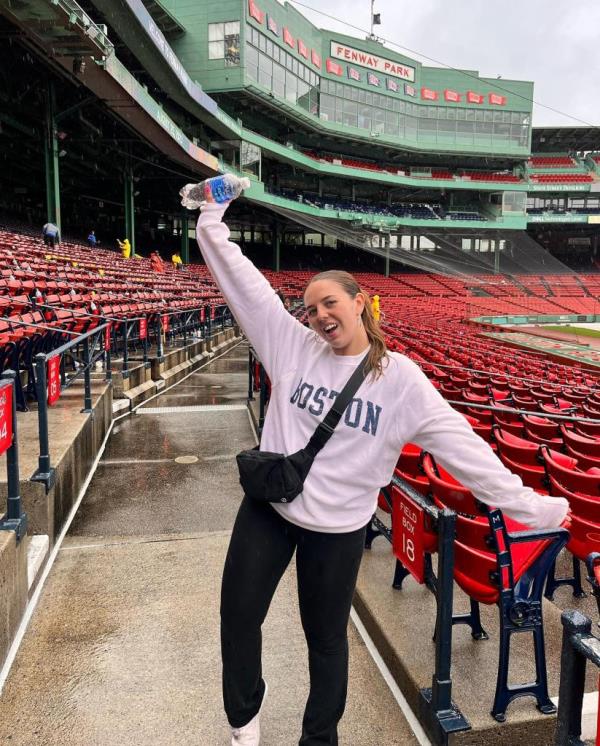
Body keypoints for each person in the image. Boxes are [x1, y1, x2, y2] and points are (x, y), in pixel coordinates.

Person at [194, 193, 569, 746]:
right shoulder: (290, 345)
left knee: (324, 642)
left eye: (329, 303)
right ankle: (244, 723)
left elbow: (464, 452)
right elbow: (242, 283)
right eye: (310, 307)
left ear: (360, 301)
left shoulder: (402, 381)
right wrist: (210, 220)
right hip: (270, 509)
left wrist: (528, 505)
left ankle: (319, 739)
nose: (319, 315)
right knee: (238, 619)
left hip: (338, 530)